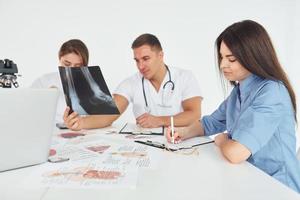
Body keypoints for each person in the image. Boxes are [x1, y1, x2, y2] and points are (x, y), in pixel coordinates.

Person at [166, 20, 300, 193]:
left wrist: (222, 141)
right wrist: (182, 132)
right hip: (249, 178)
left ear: (253, 57)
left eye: (231, 59)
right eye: (222, 57)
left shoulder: (272, 92)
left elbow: (236, 153)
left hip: (278, 188)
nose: (222, 65)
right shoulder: (240, 90)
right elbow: (209, 123)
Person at [64, 33, 203, 130]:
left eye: (146, 58)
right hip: (146, 146)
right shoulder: (131, 83)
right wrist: (80, 123)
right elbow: (109, 114)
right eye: (137, 60)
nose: (140, 66)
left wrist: (159, 120)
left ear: (160, 55)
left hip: (180, 141)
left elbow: (194, 115)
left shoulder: (185, 77)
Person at [31, 39, 89, 123]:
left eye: (77, 66)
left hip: (84, 132)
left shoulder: (92, 86)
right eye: (67, 64)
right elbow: (27, 108)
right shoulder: (44, 81)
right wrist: (46, 97)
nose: (70, 70)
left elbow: (102, 117)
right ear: (59, 58)